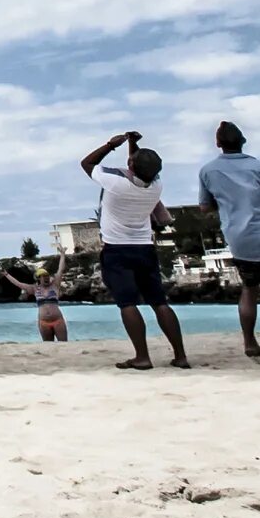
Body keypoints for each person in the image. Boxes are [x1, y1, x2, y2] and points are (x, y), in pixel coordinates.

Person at [79, 130, 188, 371]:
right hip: (144, 249)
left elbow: (87, 163)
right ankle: (180, 355)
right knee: (159, 302)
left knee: (127, 303)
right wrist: (132, 145)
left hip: (117, 250)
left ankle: (142, 356)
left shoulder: (116, 184)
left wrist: (110, 144)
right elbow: (137, 171)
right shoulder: (156, 186)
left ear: (130, 166)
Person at [195, 121, 260, 362]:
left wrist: (225, 202)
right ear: (243, 141)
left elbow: (204, 206)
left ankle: (250, 343)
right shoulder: (259, 167)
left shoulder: (208, 171)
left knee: (249, 290)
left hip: (239, 238)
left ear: (218, 144)